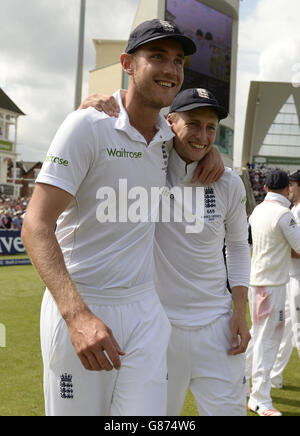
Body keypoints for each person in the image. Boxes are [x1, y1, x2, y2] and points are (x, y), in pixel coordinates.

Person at [22, 20, 223, 417]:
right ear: (127, 64)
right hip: (84, 304)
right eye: (158, 57)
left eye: (178, 60)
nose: (170, 69)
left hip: (146, 310)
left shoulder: (168, 139)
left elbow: (195, 138)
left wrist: (208, 150)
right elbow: (35, 225)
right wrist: (77, 316)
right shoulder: (87, 126)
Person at [79, 87, 252, 416]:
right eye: (194, 124)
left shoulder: (229, 183)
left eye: (211, 128)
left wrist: (239, 311)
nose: (203, 136)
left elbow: (239, 246)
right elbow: (114, 138)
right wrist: (91, 108)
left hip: (218, 329)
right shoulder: (148, 166)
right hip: (158, 329)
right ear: (170, 122)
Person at [246, 170, 300, 416]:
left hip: (257, 282)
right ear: (286, 189)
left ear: (266, 188)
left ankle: (247, 387)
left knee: (258, 338)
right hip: (273, 286)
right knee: (267, 342)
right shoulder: (283, 214)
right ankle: (260, 399)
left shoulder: (258, 210)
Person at [270, 170, 300, 388]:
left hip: (297, 278)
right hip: (291, 277)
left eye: (293, 184)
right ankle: (274, 377)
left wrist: (278, 247)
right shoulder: (293, 210)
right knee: (285, 331)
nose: (289, 188)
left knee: (297, 332)